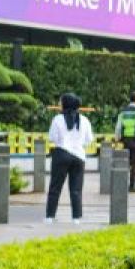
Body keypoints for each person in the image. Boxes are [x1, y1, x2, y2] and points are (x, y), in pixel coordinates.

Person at [45, 92, 93, 224]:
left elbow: (52, 138)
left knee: (55, 187)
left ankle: (50, 216)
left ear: (65, 104)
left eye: (61, 102)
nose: (59, 104)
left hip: (61, 154)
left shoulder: (57, 119)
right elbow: (89, 140)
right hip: (79, 156)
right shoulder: (85, 120)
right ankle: (76, 218)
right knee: (76, 189)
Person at [114, 90, 135, 193]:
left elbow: (118, 126)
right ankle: (132, 185)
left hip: (126, 139)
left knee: (125, 162)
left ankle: (120, 183)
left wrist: (117, 137)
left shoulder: (123, 111)